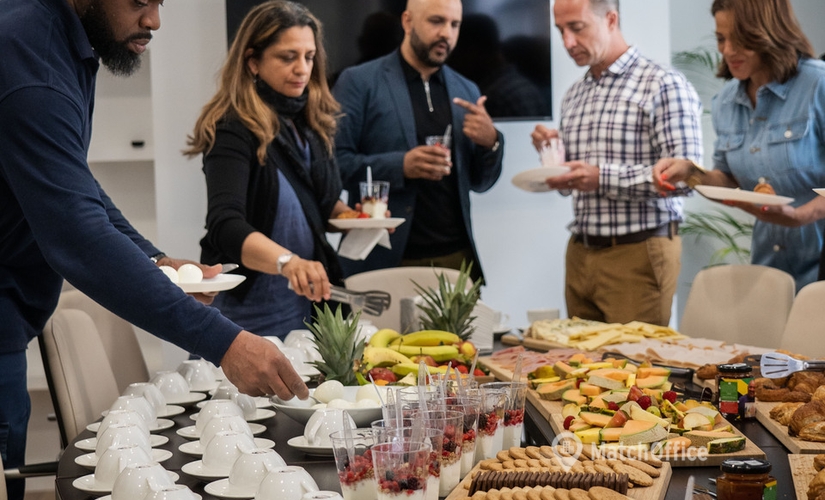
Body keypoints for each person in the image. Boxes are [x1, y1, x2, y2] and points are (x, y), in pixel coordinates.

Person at [0, 0, 308, 496]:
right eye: (139, 1)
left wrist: (155, 261)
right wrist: (225, 342)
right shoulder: (30, 61)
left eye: (161, 1)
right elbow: (79, 234)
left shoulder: (61, 41)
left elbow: (75, 183)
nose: (154, 20)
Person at [185, 1, 353, 340]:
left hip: (304, 311)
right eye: (287, 57)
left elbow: (318, 205)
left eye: (308, 57)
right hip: (247, 314)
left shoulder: (310, 124)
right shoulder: (232, 128)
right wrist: (288, 262)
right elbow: (225, 225)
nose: (302, 69)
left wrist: (359, 219)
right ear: (253, 62)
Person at [530, 0, 703, 326]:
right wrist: (553, 159)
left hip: (638, 253)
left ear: (611, 19)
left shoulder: (662, 84)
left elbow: (685, 178)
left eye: (576, 28)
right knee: (584, 368)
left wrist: (600, 177)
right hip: (580, 251)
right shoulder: (574, 95)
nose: (567, 42)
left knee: (636, 369)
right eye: (560, 30)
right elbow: (573, 188)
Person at [653, 0, 825, 291]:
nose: (728, 50)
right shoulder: (726, 101)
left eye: (742, 39)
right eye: (721, 39)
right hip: (768, 268)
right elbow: (727, 179)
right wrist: (690, 172)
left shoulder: (817, 84)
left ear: (769, 33)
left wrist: (801, 217)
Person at [333, 0, 504, 281]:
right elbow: (334, 166)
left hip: (456, 259)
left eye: (454, 24)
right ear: (407, 21)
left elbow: (480, 182)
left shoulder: (467, 89)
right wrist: (401, 166)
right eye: (436, 21)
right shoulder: (359, 82)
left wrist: (492, 143)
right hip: (384, 258)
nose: (446, 34)